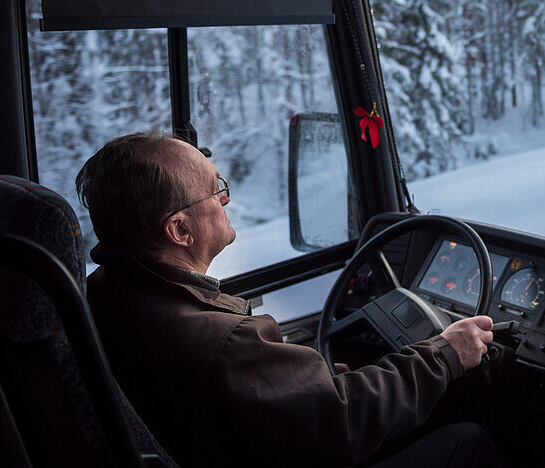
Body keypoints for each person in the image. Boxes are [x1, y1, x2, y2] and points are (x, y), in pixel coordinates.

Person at [78, 131, 506, 468]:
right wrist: (445, 353)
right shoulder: (223, 341)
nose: (227, 199)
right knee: (469, 441)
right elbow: (342, 424)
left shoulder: (100, 296)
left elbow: (262, 405)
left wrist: (306, 377)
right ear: (180, 230)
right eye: (214, 191)